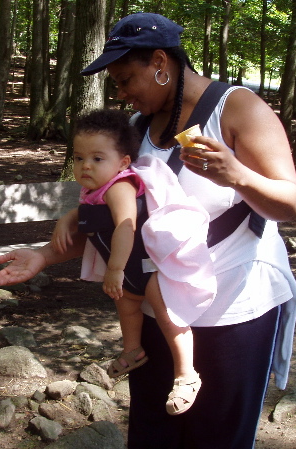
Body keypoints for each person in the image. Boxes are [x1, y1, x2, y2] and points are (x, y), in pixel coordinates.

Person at [0, 12, 296, 449]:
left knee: (217, 435)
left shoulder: (238, 107)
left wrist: (236, 175)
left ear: (161, 61)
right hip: (160, 303)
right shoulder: (135, 131)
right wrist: (43, 255)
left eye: (126, 79)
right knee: (155, 431)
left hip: (235, 302)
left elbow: (289, 202)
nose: (121, 94)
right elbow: (111, 216)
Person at [54, 108, 216, 415]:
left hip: (147, 268)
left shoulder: (120, 187)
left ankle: (186, 374)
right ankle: (133, 351)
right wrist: (68, 219)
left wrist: (114, 269)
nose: (85, 166)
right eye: (78, 158)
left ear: (123, 163)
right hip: (130, 273)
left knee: (169, 317)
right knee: (127, 308)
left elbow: (126, 225)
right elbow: (89, 211)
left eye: (97, 159)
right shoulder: (95, 189)